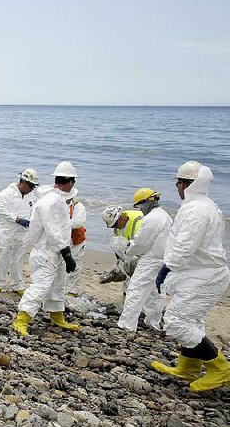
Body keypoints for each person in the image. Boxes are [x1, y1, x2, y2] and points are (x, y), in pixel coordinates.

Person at [151, 161, 230, 392]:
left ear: (188, 184)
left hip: (204, 274)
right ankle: (188, 368)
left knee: (177, 321)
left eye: (180, 182)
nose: (177, 185)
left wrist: (166, 268)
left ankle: (221, 368)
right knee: (190, 319)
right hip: (198, 272)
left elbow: (185, 245)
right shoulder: (204, 205)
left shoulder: (196, 209)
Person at [12, 161, 80, 336]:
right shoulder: (51, 201)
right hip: (46, 251)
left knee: (58, 284)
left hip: (55, 251)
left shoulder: (55, 199)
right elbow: (53, 230)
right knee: (41, 285)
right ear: (70, 181)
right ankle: (21, 319)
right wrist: (66, 253)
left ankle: (57, 316)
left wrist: (64, 252)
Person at [116, 188, 171, 332]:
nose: (140, 209)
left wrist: (129, 249)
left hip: (151, 260)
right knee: (157, 292)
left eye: (140, 205)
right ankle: (152, 322)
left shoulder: (152, 219)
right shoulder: (165, 215)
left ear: (146, 202)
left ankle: (127, 325)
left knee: (136, 290)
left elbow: (141, 243)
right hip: (164, 259)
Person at [0, 169, 39, 294]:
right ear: (23, 181)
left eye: (34, 186)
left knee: (18, 259)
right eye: (30, 186)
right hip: (6, 232)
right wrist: (17, 219)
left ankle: (17, 285)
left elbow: (35, 212)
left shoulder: (32, 197)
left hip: (22, 234)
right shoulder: (6, 193)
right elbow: (1, 210)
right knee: (3, 258)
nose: (32, 189)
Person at [99, 205, 144, 285]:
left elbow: (141, 246)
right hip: (132, 249)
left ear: (120, 217)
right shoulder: (118, 227)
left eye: (115, 225)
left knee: (139, 280)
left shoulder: (139, 222)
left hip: (145, 249)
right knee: (115, 242)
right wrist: (119, 264)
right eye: (112, 226)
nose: (115, 228)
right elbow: (119, 247)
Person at [65, 189, 87, 296]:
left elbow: (78, 222)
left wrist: (60, 223)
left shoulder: (78, 206)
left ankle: (72, 291)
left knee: (76, 266)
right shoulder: (59, 205)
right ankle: (65, 288)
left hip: (76, 240)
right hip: (64, 240)